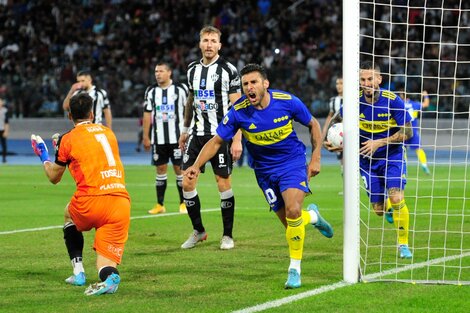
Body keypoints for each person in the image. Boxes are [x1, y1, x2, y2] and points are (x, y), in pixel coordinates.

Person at [185, 63, 334, 289]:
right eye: (245, 84)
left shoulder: (287, 101)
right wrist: (197, 164)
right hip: (264, 171)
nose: (248, 88)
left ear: (265, 84)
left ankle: (294, 269)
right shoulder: (239, 111)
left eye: (253, 82)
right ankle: (312, 217)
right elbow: (216, 141)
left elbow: (313, 124)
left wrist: (316, 157)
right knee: (291, 224)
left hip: (292, 163)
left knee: (293, 210)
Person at [31, 93, 131, 295]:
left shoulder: (68, 138)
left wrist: (44, 154)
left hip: (91, 202)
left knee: (68, 214)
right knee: (105, 265)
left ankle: (78, 273)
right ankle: (110, 278)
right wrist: (64, 152)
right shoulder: (108, 133)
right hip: (120, 203)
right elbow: (88, 153)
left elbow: (54, 177)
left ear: (69, 115)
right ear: (92, 113)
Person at [324, 61, 414, 259]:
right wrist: (331, 140)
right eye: (363, 80)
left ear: (379, 80)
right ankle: (388, 208)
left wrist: (380, 142)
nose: (367, 83)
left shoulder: (393, 101)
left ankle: (403, 244)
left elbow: (407, 132)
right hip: (366, 159)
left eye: (370, 79)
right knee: (378, 211)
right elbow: (336, 122)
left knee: (397, 197)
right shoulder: (353, 102)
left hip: (392, 156)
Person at [178, 25, 243, 250]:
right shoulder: (191, 70)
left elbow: (239, 107)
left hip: (221, 134)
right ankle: (199, 230)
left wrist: (237, 139)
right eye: (205, 40)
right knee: (186, 181)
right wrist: (184, 130)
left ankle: (227, 235)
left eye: (213, 41)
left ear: (219, 45)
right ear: (200, 43)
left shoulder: (228, 70)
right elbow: (190, 101)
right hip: (196, 135)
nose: (209, 44)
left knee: (222, 183)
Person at [143, 62, 188, 214]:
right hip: (159, 138)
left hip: (177, 138)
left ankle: (183, 203)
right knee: (160, 169)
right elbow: (147, 114)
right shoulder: (151, 91)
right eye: (156, 71)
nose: (157, 74)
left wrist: (188, 132)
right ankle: (160, 205)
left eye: (161, 71)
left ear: (169, 72)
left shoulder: (180, 90)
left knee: (179, 169)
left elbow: (188, 111)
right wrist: (146, 136)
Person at [399, 90, 431, 175]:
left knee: (402, 149)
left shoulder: (399, 104)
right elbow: (426, 104)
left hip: (403, 131)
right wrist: (426, 95)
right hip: (413, 130)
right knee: (418, 149)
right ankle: (424, 165)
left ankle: (403, 167)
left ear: (402, 95)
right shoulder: (414, 104)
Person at [322, 77, 343, 177]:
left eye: (341, 83)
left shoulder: (354, 98)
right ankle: (346, 187)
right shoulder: (333, 101)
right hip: (338, 135)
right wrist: (324, 133)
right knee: (342, 162)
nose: (338, 86)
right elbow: (330, 117)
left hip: (350, 133)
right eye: (337, 83)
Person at [0, 98, 9, 163]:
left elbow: (6, 122)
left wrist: (6, 131)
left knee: (4, 145)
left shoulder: (5, 111)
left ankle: (4, 158)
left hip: (2, 129)